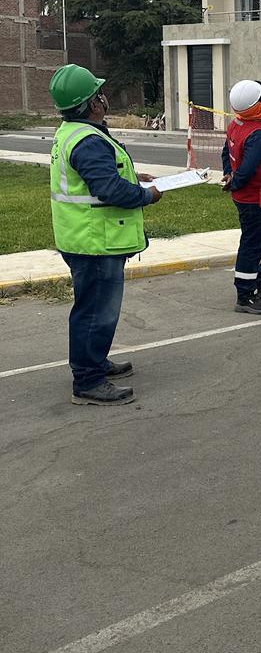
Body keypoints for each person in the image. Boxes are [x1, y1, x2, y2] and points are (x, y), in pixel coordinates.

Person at [48, 64, 162, 406]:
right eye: (99, 94)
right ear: (93, 104)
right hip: (96, 242)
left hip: (83, 237)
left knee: (93, 309)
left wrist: (134, 177)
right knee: (96, 313)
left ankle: (94, 363)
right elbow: (109, 190)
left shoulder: (73, 132)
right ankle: (88, 381)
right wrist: (147, 195)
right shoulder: (88, 141)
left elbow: (97, 179)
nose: (104, 98)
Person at [221, 80, 261, 315]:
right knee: (253, 244)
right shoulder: (257, 134)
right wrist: (235, 181)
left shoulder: (236, 125)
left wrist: (229, 175)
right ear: (256, 105)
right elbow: (247, 169)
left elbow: (226, 153)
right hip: (256, 197)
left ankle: (257, 280)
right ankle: (245, 295)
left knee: (253, 241)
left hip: (247, 196)